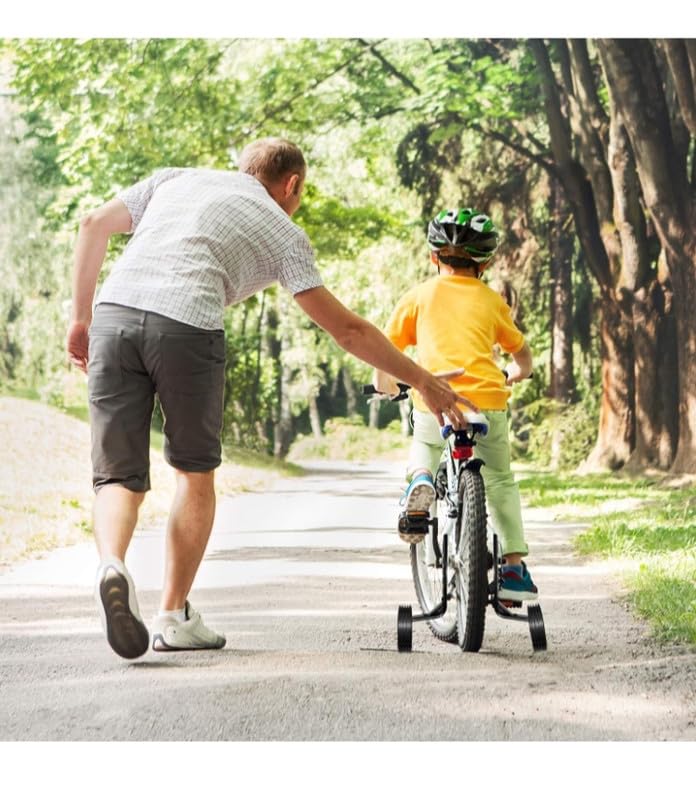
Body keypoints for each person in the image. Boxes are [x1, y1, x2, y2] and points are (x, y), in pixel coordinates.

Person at [66, 138, 477, 660]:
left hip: (115, 316)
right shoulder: (283, 230)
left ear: (244, 169)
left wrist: (80, 319)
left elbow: (92, 225)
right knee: (194, 474)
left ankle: (112, 564)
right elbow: (348, 331)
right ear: (292, 185)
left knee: (117, 477)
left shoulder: (175, 178)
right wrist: (422, 379)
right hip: (187, 325)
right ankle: (172, 616)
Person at [373, 207, 538, 602]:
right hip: (487, 403)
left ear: (434, 256)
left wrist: (385, 385)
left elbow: (386, 351)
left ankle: (421, 481)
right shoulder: (493, 301)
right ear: (486, 263)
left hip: (435, 399)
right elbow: (522, 355)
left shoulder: (418, 296)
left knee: (426, 443)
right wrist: (516, 373)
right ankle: (513, 569)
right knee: (499, 480)